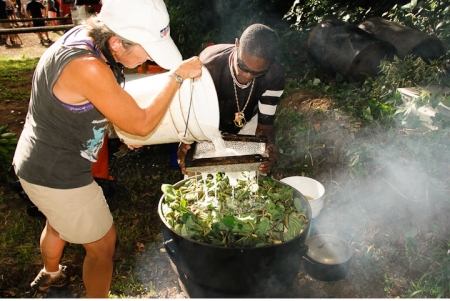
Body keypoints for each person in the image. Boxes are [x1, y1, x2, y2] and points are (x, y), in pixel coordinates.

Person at [12, 0, 202, 297]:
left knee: (57, 222)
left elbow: (87, 102)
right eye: (147, 50)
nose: (148, 59)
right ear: (116, 42)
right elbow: (140, 124)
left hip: (36, 160)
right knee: (103, 245)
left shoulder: (83, 39)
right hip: (59, 175)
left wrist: (117, 128)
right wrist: (176, 77)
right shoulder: (87, 66)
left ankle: (51, 274)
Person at [177, 24, 285, 175]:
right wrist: (186, 141)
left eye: (256, 73)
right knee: (197, 175)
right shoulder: (208, 66)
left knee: (255, 172)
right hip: (208, 124)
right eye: (242, 66)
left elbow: (265, 126)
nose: (247, 76)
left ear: (270, 62)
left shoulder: (275, 74)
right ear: (237, 45)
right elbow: (191, 112)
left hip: (249, 122)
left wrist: (268, 149)